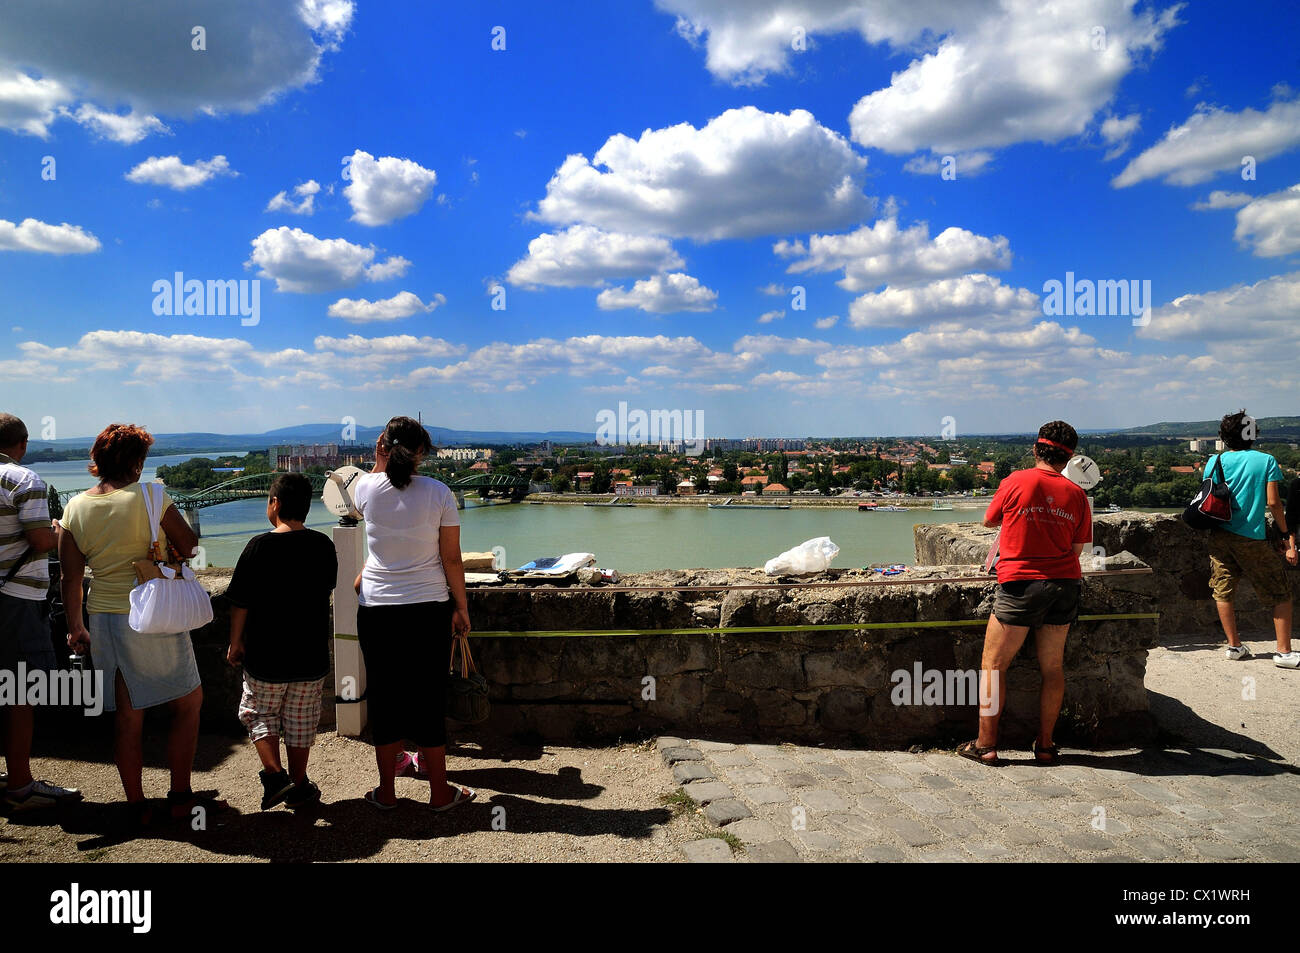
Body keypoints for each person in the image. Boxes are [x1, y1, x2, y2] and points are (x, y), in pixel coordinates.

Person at [58, 423, 227, 826]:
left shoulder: (74, 509)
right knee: (188, 703)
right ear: (136, 463)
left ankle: (136, 806)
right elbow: (190, 547)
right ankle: (182, 797)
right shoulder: (152, 495)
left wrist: (75, 626)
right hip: (152, 614)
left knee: (128, 715)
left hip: (105, 619)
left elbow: (70, 578)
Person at [352, 416, 475, 811]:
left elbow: (362, 496)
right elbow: (451, 558)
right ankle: (439, 793)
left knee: (384, 699)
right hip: (428, 609)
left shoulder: (366, 487)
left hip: (378, 610)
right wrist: (461, 607)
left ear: (383, 447)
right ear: (422, 452)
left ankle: (386, 792)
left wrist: (377, 461)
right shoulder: (440, 493)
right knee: (427, 698)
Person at [959, 420, 1092, 766]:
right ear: (1068, 459)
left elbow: (990, 521)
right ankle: (1045, 746)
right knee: (1053, 668)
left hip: (1019, 584)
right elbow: (1078, 549)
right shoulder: (1078, 495)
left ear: (1036, 449)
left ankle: (986, 744)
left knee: (993, 666)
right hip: (1064, 585)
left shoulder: (1016, 481)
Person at [226, 473, 337, 810]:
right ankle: (300, 784)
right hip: (310, 654)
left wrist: (235, 643)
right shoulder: (323, 545)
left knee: (259, 713)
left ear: (274, 504)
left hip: (266, 654)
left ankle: (275, 776)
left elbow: (240, 601)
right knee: (301, 721)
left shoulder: (258, 547)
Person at [0, 414, 82, 810]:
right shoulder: (22, 479)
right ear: (23, 443)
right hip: (15, 600)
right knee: (20, 693)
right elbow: (38, 540)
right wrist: (55, 530)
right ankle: (19, 788)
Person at [1206, 411, 1297, 668]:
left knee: (1223, 589)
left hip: (1220, 534)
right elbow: (1273, 503)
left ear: (1224, 436)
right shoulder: (1266, 460)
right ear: (1253, 434)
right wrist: (1283, 532)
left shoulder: (1215, 461)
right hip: (1251, 536)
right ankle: (1284, 652)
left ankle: (1234, 646)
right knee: (1280, 592)